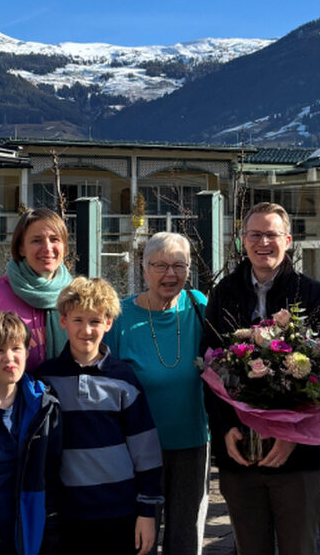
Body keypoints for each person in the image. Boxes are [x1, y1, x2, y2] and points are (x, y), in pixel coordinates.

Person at [202, 202, 320, 555]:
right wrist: (225, 429)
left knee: (300, 548)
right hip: (239, 453)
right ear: (242, 241)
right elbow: (208, 369)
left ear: (288, 240)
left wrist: (291, 435)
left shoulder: (313, 294)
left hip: (298, 456)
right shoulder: (223, 293)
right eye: (254, 235)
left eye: (271, 234)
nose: (263, 242)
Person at [36, 277, 163, 555]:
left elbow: (146, 450)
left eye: (95, 321)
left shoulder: (124, 379)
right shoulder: (45, 379)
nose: (86, 330)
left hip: (120, 511)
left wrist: (147, 512)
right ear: (63, 321)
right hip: (67, 514)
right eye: (78, 320)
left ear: (108, 323)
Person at [105, 232, 209, 555]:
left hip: (191, 444)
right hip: (136, 449)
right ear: (144, 268)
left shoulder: (199, 307)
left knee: (186, 535)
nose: (170, 274)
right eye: (160, 265)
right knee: (139, 539)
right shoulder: (121, 318)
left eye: (179, 265)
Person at [0, 311, 62, 555]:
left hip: (23, 534)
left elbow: (52, 471)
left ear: (27, 352)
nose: (10, 358)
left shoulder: (44, 406)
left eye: (16, 348)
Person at [0, 208, 73, 372]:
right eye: (36, 240)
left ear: (65, 247)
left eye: (54, 239)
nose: (47, 248)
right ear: (21, 248)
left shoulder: (76, 297)